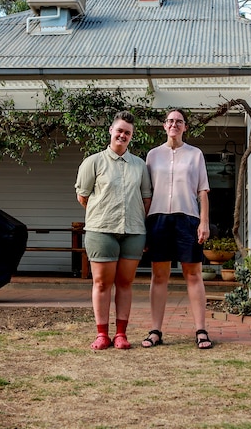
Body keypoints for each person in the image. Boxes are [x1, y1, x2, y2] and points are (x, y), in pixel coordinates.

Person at [75, 111, 152, 350]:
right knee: (101, 283)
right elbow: (82, 197)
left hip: (133, 231)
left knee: (125, 283)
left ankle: (121, 334)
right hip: (101, 230)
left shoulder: (140, 165)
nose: (123, 135)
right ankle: (101, 334)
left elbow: (146, 199)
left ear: (131, 137)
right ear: (111, 131)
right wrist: (105, 212)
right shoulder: (93, 162)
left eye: (127, 133)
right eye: (119, 130)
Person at [142, 109, 213, 349]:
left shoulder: (196, 154)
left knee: (193, 274)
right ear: (164, 126)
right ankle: (155, 331)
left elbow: (202, 191)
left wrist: (204, 222)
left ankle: (201, 330)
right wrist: (143, 225)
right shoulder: (152, 156)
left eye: (179, 121)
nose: (174, 124)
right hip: (158, 219)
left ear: (184, 127)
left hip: (188, 219)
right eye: (170, 121)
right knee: (159, 276)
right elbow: (146, 194)